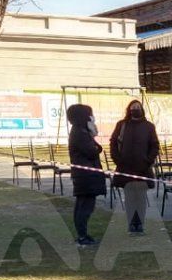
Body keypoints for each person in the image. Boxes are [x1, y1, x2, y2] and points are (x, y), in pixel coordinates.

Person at [109, 100, 159, 235]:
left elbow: (155, 145)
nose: (135, 109)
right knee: (130, 197)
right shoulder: (122, 125)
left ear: (142, 110)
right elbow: (113, 143)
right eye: (133, 107)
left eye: (138, 107)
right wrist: (118, 160)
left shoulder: (149, 126)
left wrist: (148, 161)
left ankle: (140, 223)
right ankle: (131, 224)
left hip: (143, 168)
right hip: (125, 168)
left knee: (141, 198)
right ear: (129, 110)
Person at [67, 104, 106, 246]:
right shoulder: (80, 132)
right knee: (84, 207)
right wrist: (95, 144)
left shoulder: (82, 131)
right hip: (86, 175)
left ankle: (83, 234)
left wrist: (92, 135)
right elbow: (91, 151)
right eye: (90, 114)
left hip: (87, 174)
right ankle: (82, 236)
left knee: (84, 205)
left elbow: (94, 148)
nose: (92, 117)